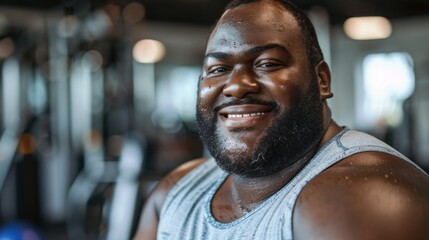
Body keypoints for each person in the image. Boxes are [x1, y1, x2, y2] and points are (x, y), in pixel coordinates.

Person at [133, 0, 429, 239]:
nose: (236, 86)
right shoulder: (174, 192)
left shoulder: (366, 198)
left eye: (267, 63)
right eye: (218, 69)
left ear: (322, 80)